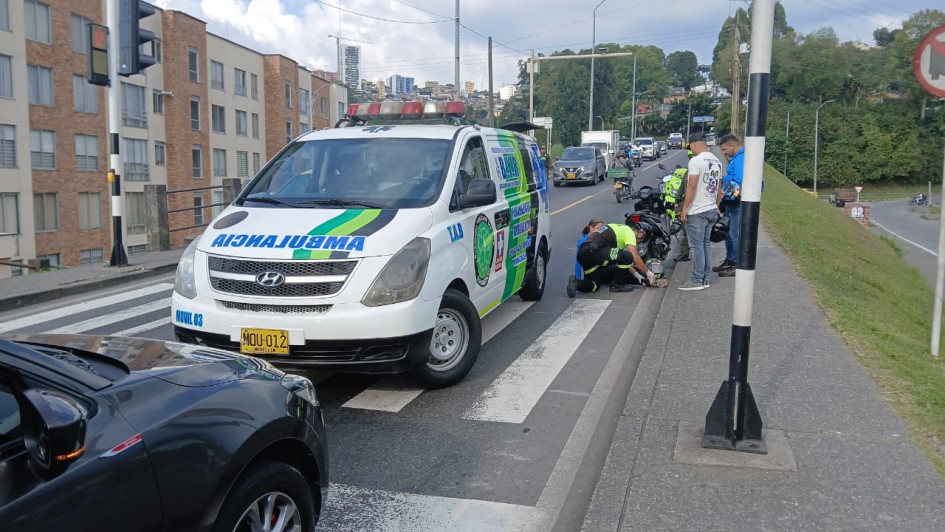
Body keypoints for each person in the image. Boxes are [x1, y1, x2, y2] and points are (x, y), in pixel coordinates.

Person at [678, 131, 724, 291]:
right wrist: (717, 205)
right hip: (711, 208)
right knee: (705, 245)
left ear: (694, 144)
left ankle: (697, 279)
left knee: (697, 247)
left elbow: (692, 185)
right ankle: (705, 278)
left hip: (697, 210)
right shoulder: (717, 160)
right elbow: (719, 186)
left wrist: (685, 208)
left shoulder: (696, 161)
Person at [567, 219, 655, 296]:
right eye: (640, 241)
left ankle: (576, 283)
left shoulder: (619, 229)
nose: (638, 243)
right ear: (640, 234)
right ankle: (616, 285)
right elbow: (634, 258)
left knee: (594, 285)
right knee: (628, 255)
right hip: (593, 250)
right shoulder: (629, 232)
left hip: (584, 254)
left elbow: (623, 262)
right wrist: (648, 272)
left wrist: (637, 275)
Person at [715, 134, 744, 278]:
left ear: (733, 145)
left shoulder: (741, 159)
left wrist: (724, 182)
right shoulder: (735, 159)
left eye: (725, 149)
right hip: (730, 201)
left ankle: (736, 264)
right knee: (727, 232)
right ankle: (730, 259)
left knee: (734, 233)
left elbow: (739, 180)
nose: (724, 153)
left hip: (736, 201)